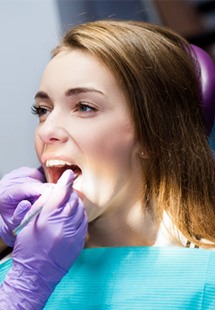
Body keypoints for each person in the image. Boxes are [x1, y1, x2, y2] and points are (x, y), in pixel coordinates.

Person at [0, 19, 215, 309]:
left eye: (84, 107)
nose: (47, 130)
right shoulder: (16, 275)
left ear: (154, 135)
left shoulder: (205, 280)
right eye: (43, 110)